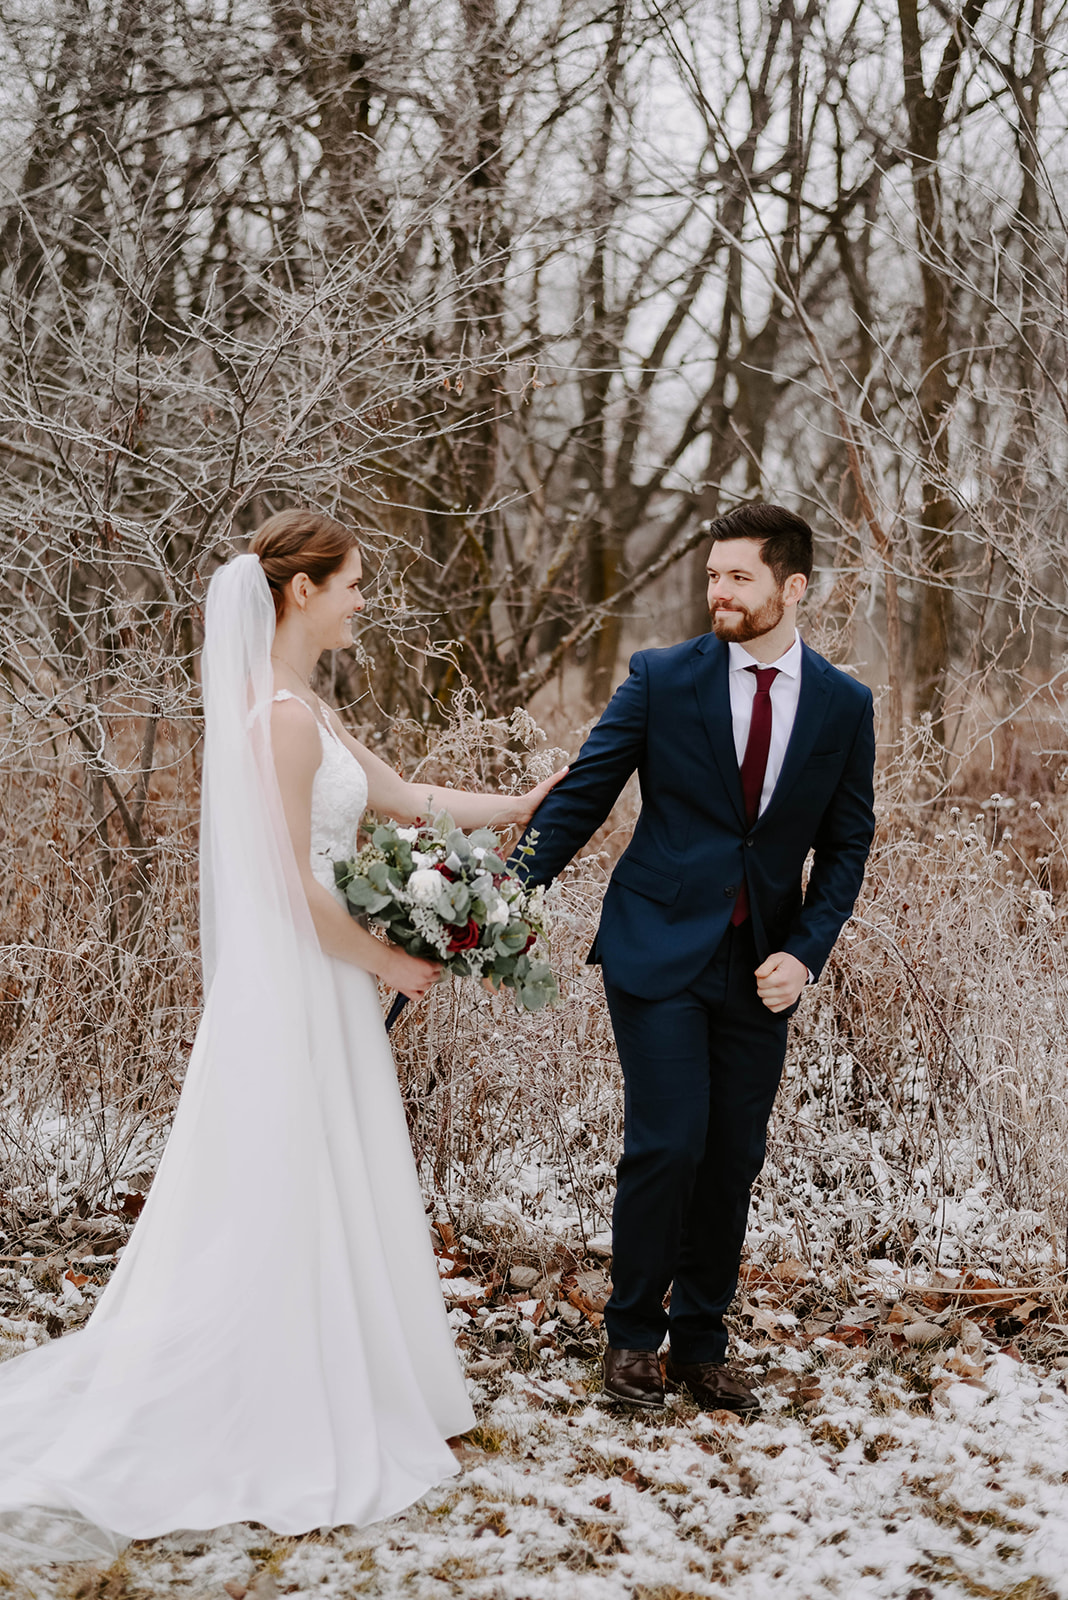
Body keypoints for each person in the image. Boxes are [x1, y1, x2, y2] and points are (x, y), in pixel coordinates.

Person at [0, 509, 566, 1562]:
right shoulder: (284, 721)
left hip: (321, 983)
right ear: (301, 591)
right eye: (352, 582)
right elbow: (293, 887)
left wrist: (521, 802)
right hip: (303, 981)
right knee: (281, 1182)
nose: (363, 599)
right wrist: (391, 961)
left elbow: (401, 798)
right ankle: (272, 1396)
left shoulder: (310, 705)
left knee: (319, 1174)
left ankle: (339, 1365)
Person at [515, 503, 876, 1414]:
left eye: (739, 577)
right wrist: (500, 898)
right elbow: (586, 795)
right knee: (669, 1143)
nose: (719, 591)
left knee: (731, 1156)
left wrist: (808, 951)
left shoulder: (844, 704)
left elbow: (845, 846)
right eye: (713, 575)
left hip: (763, 967)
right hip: (658, 946)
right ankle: (633, 1336)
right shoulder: (663, 678)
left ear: (792, 587)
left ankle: (702, 1345)